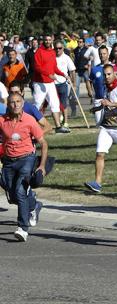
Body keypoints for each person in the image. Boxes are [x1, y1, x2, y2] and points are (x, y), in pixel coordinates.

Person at [0, 93, 48, 242]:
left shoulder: (29, 120)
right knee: (12, 195)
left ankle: (23, 228)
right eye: (12, 102)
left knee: (20, 192)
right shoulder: (2, 121)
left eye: (18, 102)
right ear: (8, 104)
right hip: (8, 161)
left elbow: (43, 144)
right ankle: (34, 205)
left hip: (26, 159)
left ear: (23, 103)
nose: (15, 105)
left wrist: (41, 166)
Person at [84, 64, 117, 193]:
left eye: (109, 74)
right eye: (105, 75)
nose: (106, 77)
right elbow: (107, 105)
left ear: (114, 74)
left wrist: (111, 103)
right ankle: (97, 183)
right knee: (100, 153)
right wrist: (98, 108)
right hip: (106, 128)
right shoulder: (106, 87)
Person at [32, 34, 67, 132]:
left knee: (55, 104)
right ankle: (30, 125)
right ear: (43, 40)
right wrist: (48, 74)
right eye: (46, 40)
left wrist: (63, 74)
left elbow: (54, 67)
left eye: (49, 40)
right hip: (40, 83)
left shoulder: (52, 52)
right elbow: (37, 67)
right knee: (37, 104)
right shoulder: (39, 52)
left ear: (52, 40)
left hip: (50, 83)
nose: (47, 41)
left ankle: (58, 127)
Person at [53, 40, 76, 133]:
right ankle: (58, 122)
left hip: (63, 83)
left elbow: (72, 70)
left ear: (63, 48)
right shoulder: (52, 57)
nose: (58, 50)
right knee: (55, 104)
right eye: (56, 48)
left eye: (60, 48)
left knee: (64, 103)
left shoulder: (66, 58)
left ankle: (66, 122)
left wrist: (73, 83)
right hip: (53, 83)